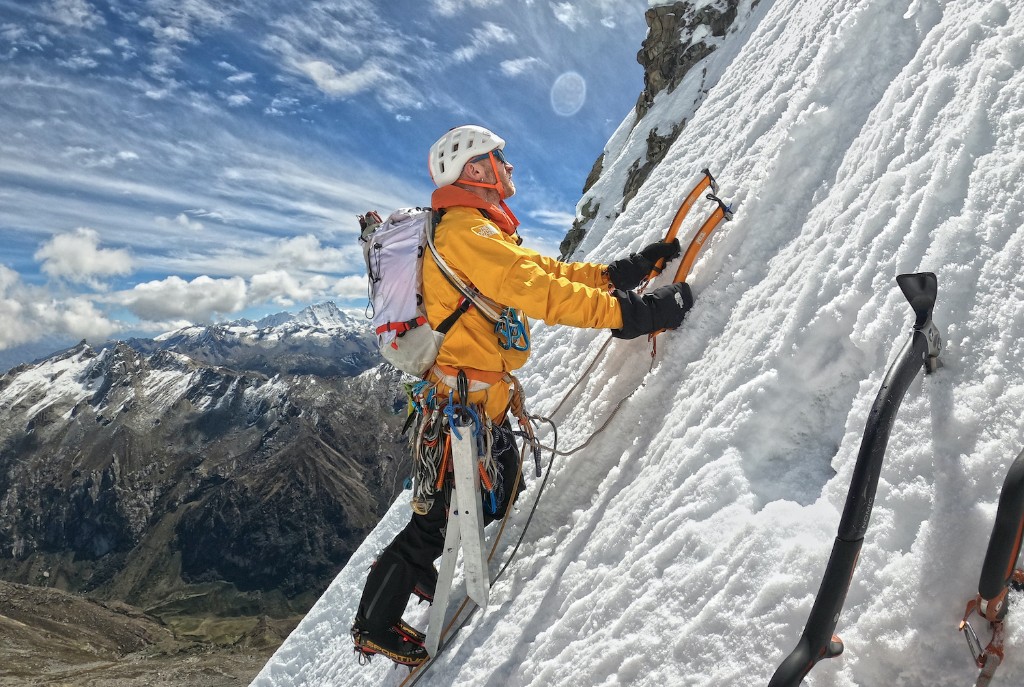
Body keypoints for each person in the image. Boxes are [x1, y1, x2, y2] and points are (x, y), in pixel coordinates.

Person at [350, 125, 693, 666]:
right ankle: (376, 620)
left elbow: (542, 273)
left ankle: (412, 570)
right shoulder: (465, 232)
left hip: (473, 405)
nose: (509, 167)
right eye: (499, 157)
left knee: (493, 491)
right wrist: (632, 314)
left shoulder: (474, 230)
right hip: (464, 410)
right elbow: (542, 292)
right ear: (476, 170)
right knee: (441, 514)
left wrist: (616, 273)